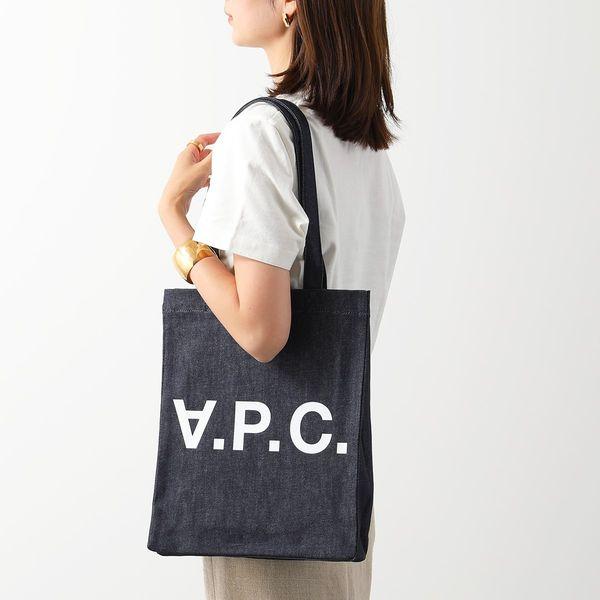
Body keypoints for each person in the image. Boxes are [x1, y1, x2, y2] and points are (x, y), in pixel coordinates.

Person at [157, 0, 405, 597]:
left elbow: (260, 332)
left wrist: (175, 222)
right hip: (337, 480)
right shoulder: (362, 144)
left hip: (268, 497)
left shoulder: (263, 132)